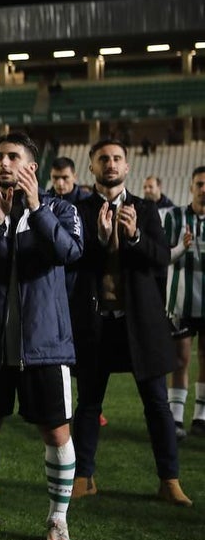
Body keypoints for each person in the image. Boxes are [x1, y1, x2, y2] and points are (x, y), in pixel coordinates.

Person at [0, 131, 82, 540]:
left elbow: (69, 252)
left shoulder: (60, 208)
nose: (3, 163)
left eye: (13, 157)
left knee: (56, 430)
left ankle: (58, 521)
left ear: (31, 167)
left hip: (44, 344)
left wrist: (37, 210)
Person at [68, 138, 192, 507]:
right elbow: (70, 261)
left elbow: (160, 259)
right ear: (91, 166)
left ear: (127, 167)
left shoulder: (146, 209)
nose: (111, 164)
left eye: (117, 158)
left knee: (157, 405)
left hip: (141, 325)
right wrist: (100, 239)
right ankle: (83, 477)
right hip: (96, 323)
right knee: (88, 404)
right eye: (103, 158)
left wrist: (135, 236)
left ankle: (169, 480)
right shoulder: (77, 210)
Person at [163, 166, 205, 439]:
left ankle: (201, 417)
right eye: (199, 184)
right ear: (191, 187)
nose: (204, 189)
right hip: (180, 300)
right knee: (180, 358)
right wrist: (179, 248)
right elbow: (160, 256)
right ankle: (176, 418)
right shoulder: (175, 216)